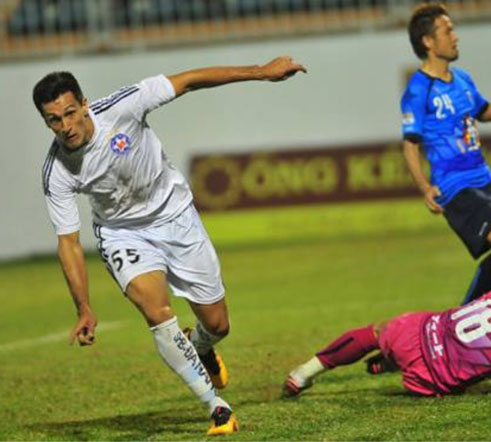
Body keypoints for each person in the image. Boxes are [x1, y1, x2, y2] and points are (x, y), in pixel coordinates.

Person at [34, 56, 306, 436]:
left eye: (69, 113)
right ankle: (217, 407)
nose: (64, 127)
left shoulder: (124, 106)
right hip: (122, 233)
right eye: (53, 120)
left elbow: (191, 80)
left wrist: (261, 72)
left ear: (83, 103)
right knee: (156, 311)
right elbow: (69, 243)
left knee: (217, 323)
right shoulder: (57, 170)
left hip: (176, 216)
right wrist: (84, 307)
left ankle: (203, 347)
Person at [400, 3, 491, 304]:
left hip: (484, 179)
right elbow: (410, 143)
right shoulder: (418, 89)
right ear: (428, 42)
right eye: (448, 30)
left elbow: (485, 111)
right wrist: (425, 187)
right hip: (455, 186)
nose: (456, 37)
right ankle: (461, 320)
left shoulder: (462, 79)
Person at [284, 273, 491, 398]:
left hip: (423, 329)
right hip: (429, 376)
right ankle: (390, 364)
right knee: (435, 362)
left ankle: (302, 374)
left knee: (373, 332)